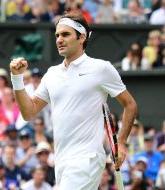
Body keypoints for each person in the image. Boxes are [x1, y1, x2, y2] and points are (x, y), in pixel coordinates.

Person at [9, 11, 137, 189]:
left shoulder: (101, 68)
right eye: (57, 35)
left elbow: (130, 104)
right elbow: (28, 112)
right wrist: (17, 78)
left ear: (81, 37)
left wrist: (121, 143)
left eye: (65, 34)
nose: (59, 40)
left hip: (87, 158)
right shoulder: (52, 74)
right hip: (61, 161)